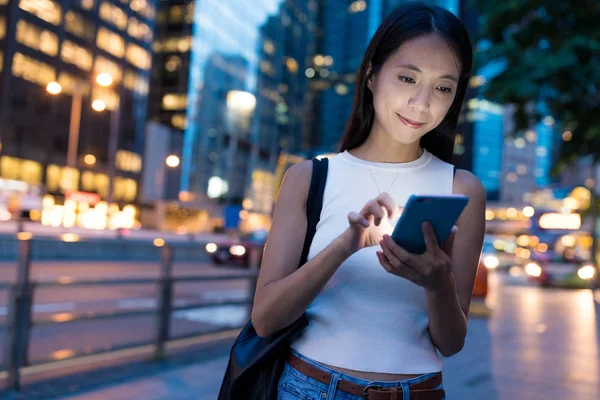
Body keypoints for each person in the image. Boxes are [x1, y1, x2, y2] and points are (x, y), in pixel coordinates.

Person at [251, 2, 486, 399]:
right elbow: (265, 319)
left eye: (443, 87)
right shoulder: (309, 178)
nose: (421, 103)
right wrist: (345, 245)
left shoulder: (461, 189)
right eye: (408, 78)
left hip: (418, 391)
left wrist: (437, 282)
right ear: (373, 74)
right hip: (310, 387)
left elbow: (451, 342)